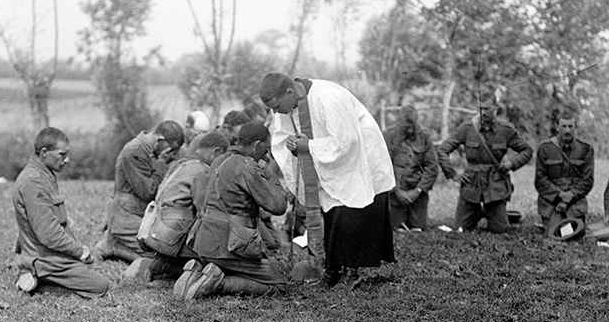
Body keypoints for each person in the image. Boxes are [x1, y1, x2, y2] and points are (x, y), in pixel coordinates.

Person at [259, 72, 396, 289]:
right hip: (326, 163)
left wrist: (310, 146)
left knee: (350, 214)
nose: (276, 112)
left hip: (357, 157)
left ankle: (352, 273)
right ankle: (333, 270)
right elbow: (283, 138)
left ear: (289, 92)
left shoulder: (327, 98)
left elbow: (346, 141)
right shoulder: (287, 106)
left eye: (277, 106)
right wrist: (294, 147)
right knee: (331, 215)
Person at [182, 123, 288, 300]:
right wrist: (271, 174)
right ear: (256, 145)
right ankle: (219, 283)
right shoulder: (247, 167)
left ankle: (197, 272)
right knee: (279, 285)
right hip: (229, 247)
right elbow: (278, 206)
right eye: (265, 149)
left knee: (240, 266)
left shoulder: (218, 160)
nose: (266, 155)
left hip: (203, 243)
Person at [11, 127, 109, 298]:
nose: (67, 159)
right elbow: (49, 234)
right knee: (100, 285)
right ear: (44, 153)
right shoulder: (34, 182)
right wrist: (78, 251)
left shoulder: (43, 174)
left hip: (48, 252)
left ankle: (38, 276)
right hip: (43, 257)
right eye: (62, 154)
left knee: (93, 271)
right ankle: (40, 284)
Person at [125, 132, 230, 284]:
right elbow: (204, 211)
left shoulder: (179, 165)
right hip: (172, 237)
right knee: (212, 260)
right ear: (216, 152)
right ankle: (167, 268)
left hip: (155, 230)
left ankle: (160, 264)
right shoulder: (202, 170)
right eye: (222, 158)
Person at [437, 95, 533, 233]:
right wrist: (452, 174)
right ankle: (479, 212)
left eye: (487, 109)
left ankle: (495, 213)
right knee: (461, 228)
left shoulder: (506, 130)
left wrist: (511, 164)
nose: (483, 112)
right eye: (480, 108)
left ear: (496, 109)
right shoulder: (467, 128)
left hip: (495, 186)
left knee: (500, 229)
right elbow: (443, 150)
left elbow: (527, 150)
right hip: (471, 186)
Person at [96, 121, 184, 262]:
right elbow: (148, 191)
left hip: (141, 216)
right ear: (160, 140)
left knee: (169, 249)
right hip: (126, 218)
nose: (173, 155)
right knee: (159, 257)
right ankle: (114, 246)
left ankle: (116, 244)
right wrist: (161, 164)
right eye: (171, 151)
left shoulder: (150, 151)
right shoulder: (134, 152)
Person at [534, 111, 594, 234]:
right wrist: (560, 195)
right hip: (551, 203)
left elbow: (587, 181)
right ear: (557, 127)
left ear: (575, 128)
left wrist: (568, 198)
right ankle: (550, 223)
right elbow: (540, 180)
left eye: (570, 126)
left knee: (575, 231)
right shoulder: (545, 148)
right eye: (564, 126)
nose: (567, 130)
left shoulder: (585, 149)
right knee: (558, 232)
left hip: (574, 202)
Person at [382, 105, 441, 232]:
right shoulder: (388, 136)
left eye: (412, 126)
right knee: (395, 227)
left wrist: (418, 190)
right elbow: (383, 167)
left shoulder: (424, 136)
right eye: (406, 127)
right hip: (395, 192)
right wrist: (397, 191)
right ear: (399, 122)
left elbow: (432, 167)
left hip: (416, 193)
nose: (409, 131)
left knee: (418, 227)